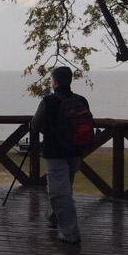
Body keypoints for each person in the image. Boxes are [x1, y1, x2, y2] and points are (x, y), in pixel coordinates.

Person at [29, 66, 91, 244]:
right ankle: (53, 218)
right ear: (70, 80)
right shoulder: (81, 100)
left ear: (54, 82)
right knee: (64, 187)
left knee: (59, 192)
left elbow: (34, 124)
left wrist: (47, 131)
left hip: (55, 152)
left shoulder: (49, 101)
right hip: (76, 151)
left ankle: (70, 233)